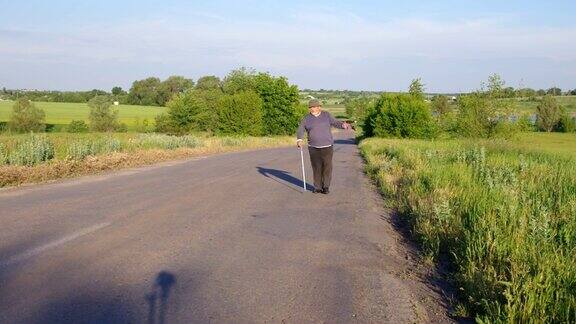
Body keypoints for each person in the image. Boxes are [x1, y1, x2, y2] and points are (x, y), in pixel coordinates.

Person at [296, 99, 350, 194]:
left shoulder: (326, 115)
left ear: (319, 107)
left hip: (327, 146)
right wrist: (299, 139)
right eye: (311, 107)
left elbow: (335, 122)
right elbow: (300, 129)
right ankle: (317, 187)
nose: (313, 109)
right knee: (316, 167)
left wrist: (343, 125)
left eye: (315, 107)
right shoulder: (306, 118)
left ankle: (325, 187)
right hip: (313, 147)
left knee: (327, 167)